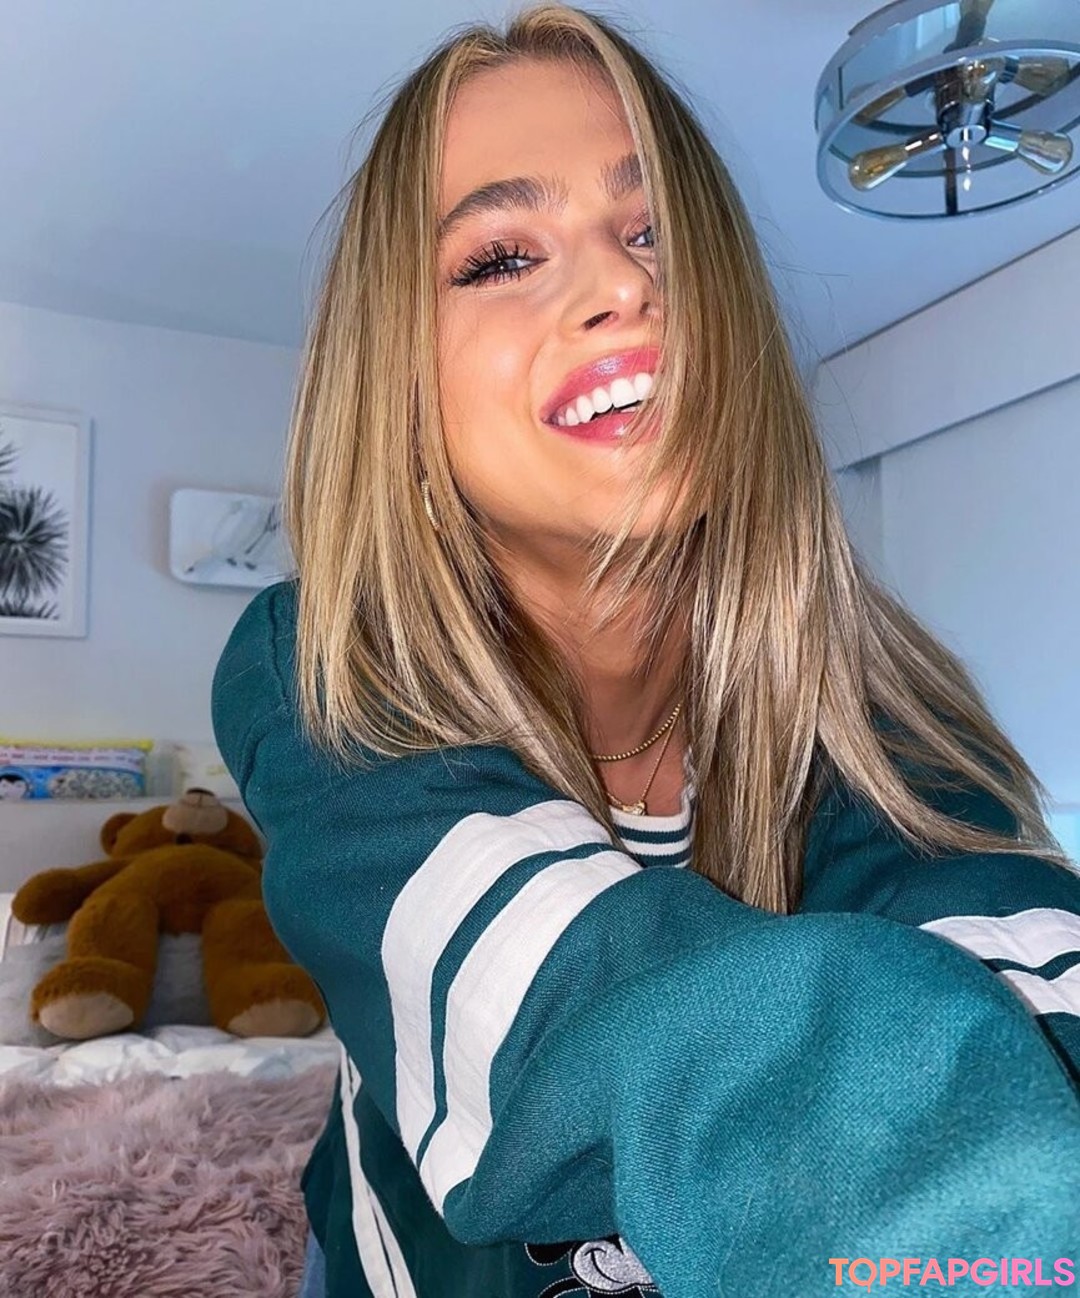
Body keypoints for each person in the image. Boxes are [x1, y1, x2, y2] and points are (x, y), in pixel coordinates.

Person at [212, 5, 1080, 1296]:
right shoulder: (320, 662)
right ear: (396, 383)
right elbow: (585, 1016)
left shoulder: (884, 716)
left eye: (654, 231)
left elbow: (1035, 1017)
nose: (624, 287)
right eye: (501, 257)